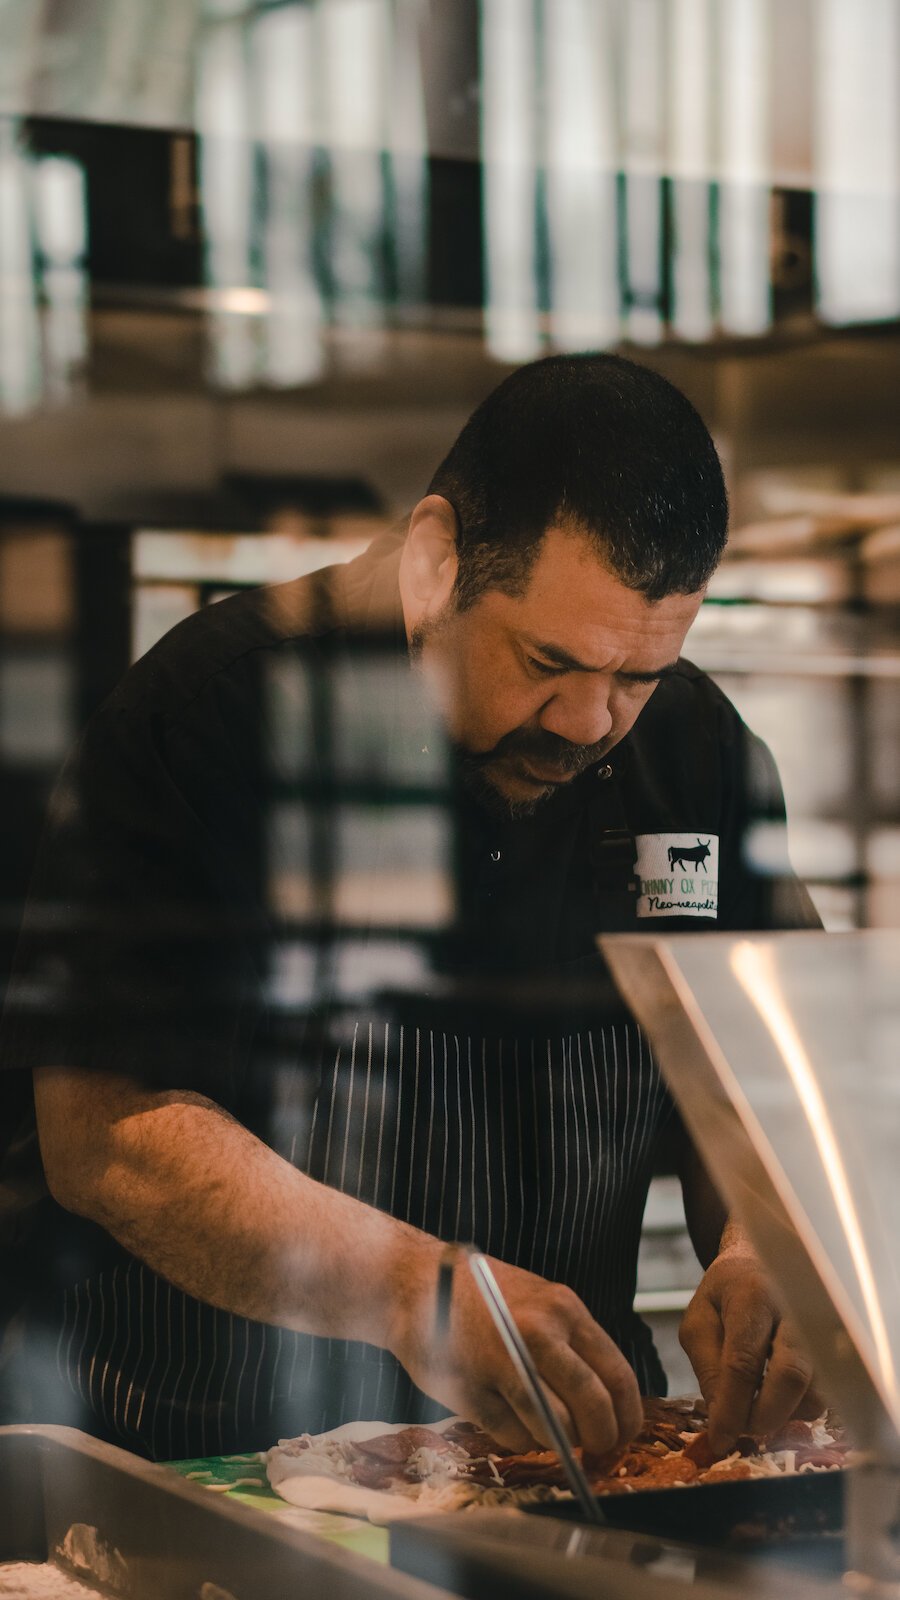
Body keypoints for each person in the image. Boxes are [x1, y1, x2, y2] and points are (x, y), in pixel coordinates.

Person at [1, 353, 820, 1464]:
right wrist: (413, 1291)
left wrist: (764, 1240)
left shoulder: (699, 751)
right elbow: (103, 1133)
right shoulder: (207, 717)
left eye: (639, 675)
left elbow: (762, 1079)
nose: (591, 724)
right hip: (205, 1475)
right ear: (437, 561)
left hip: (556, 1485)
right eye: (549, 661)